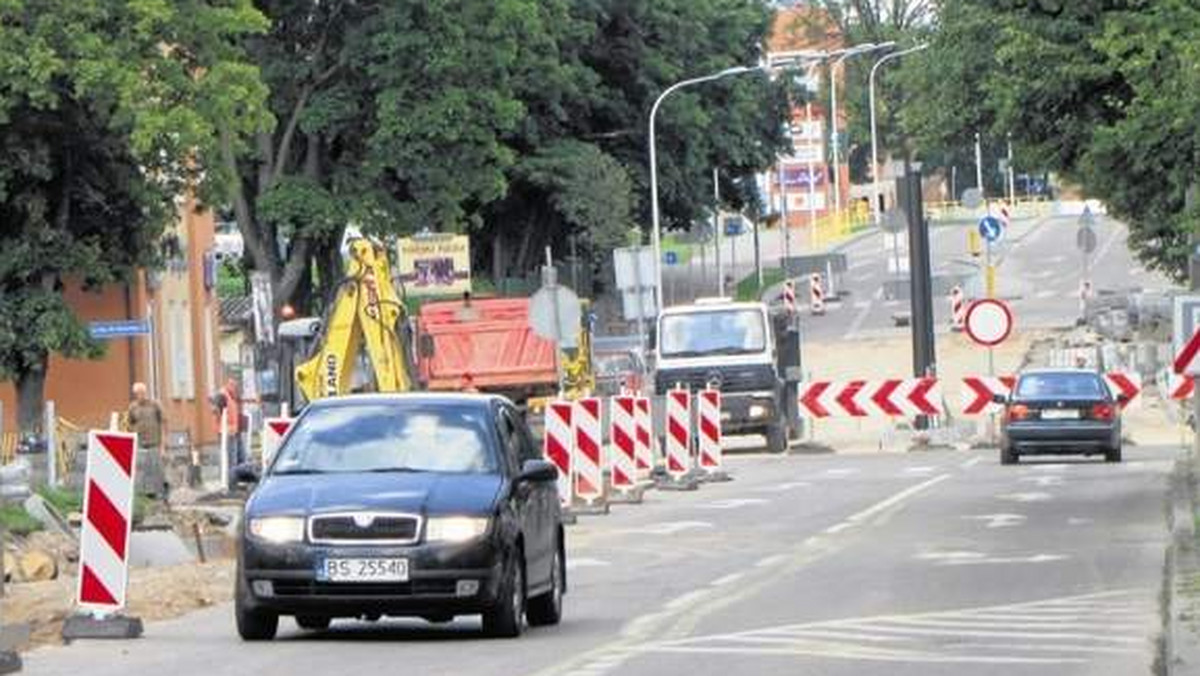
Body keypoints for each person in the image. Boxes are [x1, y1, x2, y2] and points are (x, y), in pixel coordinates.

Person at [127, 382, 168, 500]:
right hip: (140, 444)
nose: (140, 395)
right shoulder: (133, 407)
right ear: (135, 394)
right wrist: (132, 433)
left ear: (146, 392)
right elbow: (129, 424)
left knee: (158, 469)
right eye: (137, 393)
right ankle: (148, 495)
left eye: (142, 393)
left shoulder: (155, 405)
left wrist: (163, 445)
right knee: (144, 470)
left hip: (155, 442)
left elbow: (164, 423)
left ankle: (163, 494)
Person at [211, 377, 245, 466]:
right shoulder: (222, 395)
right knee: (231, 460)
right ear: (228, 385)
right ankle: (231, 477)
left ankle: (237, 475)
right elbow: (215, 410)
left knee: (240, 457)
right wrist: (223, 424)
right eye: (233, 385)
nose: (235, 388)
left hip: (234, 432)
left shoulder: (231, 396)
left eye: (236, 386)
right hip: (227, 433)